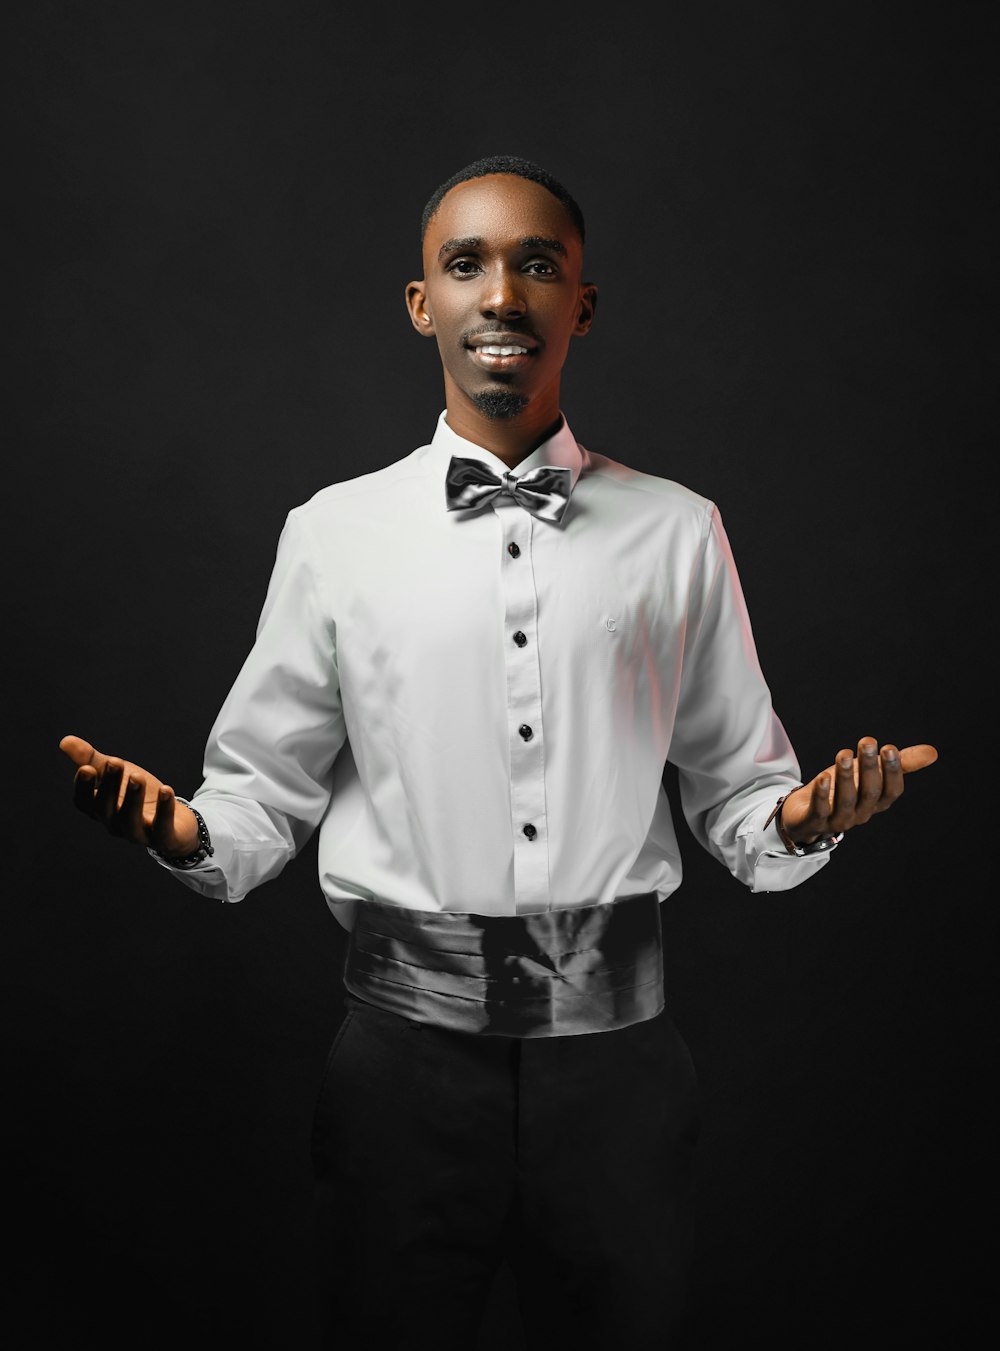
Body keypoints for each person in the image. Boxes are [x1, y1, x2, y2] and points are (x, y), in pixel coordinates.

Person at [60, 154, 937, 1350]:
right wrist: (185, 832)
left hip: (623, 1075)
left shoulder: (680, 530)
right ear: (422, 301)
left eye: (538, 264)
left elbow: (741, 793)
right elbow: (259, 793)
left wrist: (806, 817)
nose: (501, 294)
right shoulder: (334, 533)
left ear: (581, 302)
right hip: (397, 1075)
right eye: (465, 263)